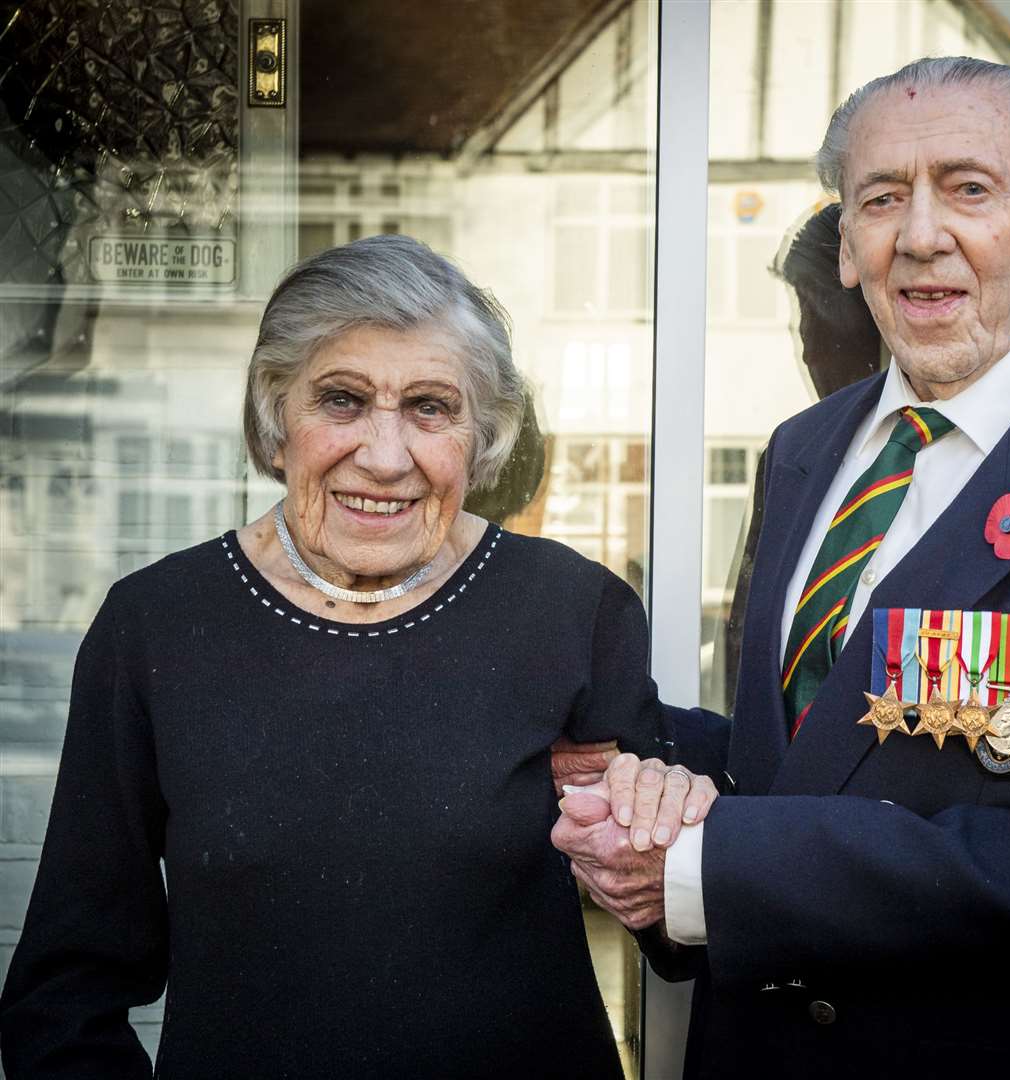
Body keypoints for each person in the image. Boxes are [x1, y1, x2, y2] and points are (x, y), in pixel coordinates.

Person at [552, 57, 1010, 1078]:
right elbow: (814, 749)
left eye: (969, 188)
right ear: (851, 247)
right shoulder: (802, 451)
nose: (918, 235)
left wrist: (703, 872)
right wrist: (629, 765)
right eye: (879, 199)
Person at [0, 234, 718, 1079]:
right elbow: (67, 988)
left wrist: (681, 837)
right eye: (340, 400)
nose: (384, 455)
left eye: (430, 408)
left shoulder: (572, 610)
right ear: (275, 420)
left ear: (481, 438)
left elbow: (668, 929)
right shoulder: (156, 626)